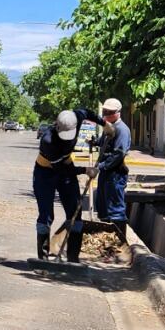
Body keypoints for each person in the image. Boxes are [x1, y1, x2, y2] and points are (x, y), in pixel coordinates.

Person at [33, 106, 103, 261]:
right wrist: (85, 170)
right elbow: (62, 170)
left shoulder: (76, 117)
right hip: (46, 172)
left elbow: (88, 112)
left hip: (66, 167)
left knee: (75, 213)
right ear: (57, 126)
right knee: (46, 214)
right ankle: (43, 259)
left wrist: (106, 124)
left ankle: (73, 258)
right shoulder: (48, 140)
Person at [92, 97, 133, 243]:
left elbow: (118, 153)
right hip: (106, 173)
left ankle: (119, 241)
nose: (106, 114)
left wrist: (101, 166)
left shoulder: (122, 130)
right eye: (105, 111)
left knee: (115, 208)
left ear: (118, 112)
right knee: (102, 205)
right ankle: (105, 239)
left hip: (115, 173)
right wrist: (95, 142)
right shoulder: (109, 126)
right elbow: (104, 143)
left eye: (110, 112)